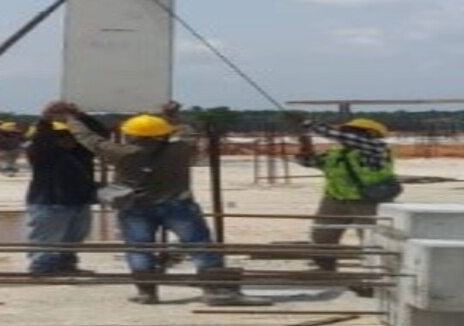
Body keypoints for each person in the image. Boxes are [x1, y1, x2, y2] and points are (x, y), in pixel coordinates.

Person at [48, 100, 270, 307]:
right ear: (164, 133)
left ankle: (146, 292)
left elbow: (90, 139)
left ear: (131, 135)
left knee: (139, 248)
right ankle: (218, 292)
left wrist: (71, 118)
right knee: (200, 246)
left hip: (135, 207)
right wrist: (170, 116)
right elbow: (188, 132)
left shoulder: (122, 153)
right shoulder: (180, 149)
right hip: (177, 205)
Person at [296, 116, 402, 272]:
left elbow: (338, 136)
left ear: (370, 135)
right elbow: (310, 162)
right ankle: (325, 269)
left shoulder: (376, 148)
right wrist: (306, 148)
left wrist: (309, 124)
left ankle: (377, 273)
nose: (346, 135)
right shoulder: (337, 153)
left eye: (351, 132)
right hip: (335, 200)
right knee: (322, 236)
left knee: (371, 239)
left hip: (367, 201)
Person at [23, 110, 108, 276]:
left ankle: (66, 265)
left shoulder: (81, 151)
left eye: (69, 135)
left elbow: (100, 134)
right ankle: (42, 268)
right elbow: (42, 139)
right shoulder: (42, 152)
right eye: (61, 136)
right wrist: (46, 118)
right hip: (51, 202)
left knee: (74, 238)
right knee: (47, 239)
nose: (68, 139)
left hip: (79, 201)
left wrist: (80, 115)